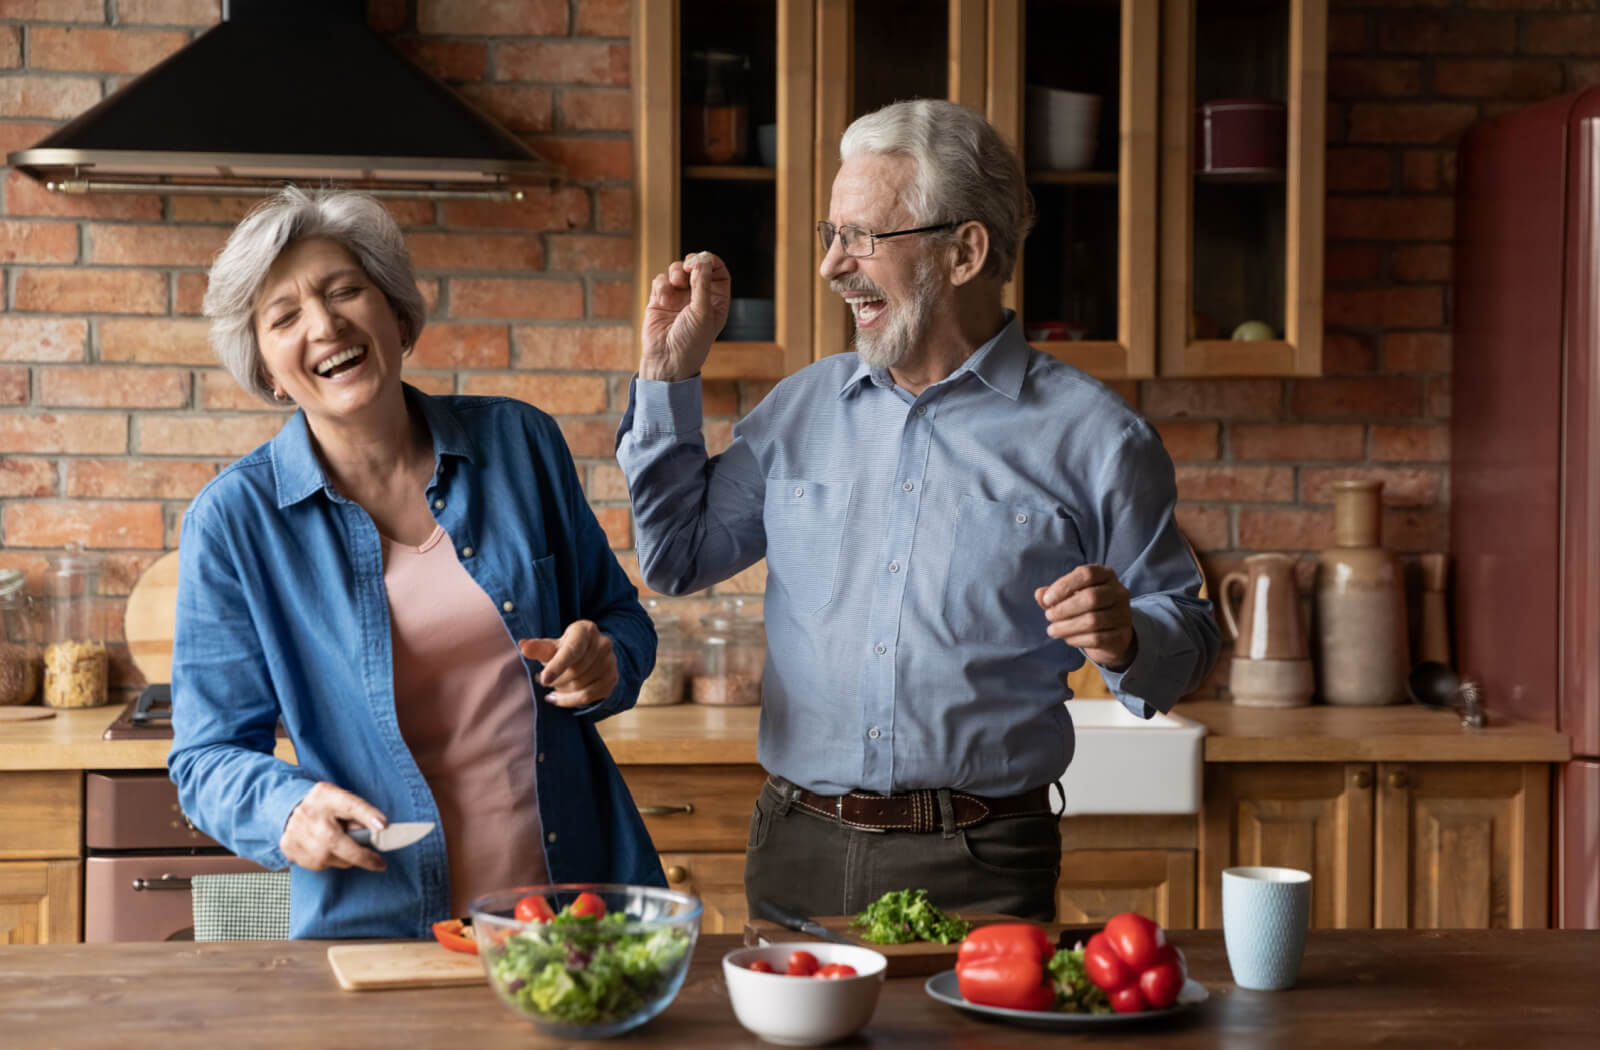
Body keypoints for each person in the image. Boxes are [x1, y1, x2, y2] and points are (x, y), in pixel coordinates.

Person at [616, 99, 1219, 921]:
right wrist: (666, 375)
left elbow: (1186, 642)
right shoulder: (800, 411)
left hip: (985, 863)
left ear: (965, 251)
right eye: (831, 235)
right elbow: (674, 557)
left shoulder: (1099, 439)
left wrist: (1127, 635)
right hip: (797, 848)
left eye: (862, 237)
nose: (832, 266)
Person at [169, 187, 662, 939]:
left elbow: (622, 620)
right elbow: (206, 759)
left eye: (344, 292)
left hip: (577, 911)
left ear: (396, 315)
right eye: (285, 316)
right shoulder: (235, 522)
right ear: (267, 369)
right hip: (383, 926)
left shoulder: (520, 446)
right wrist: (286, 810)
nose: (325, 325)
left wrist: (607, 660)